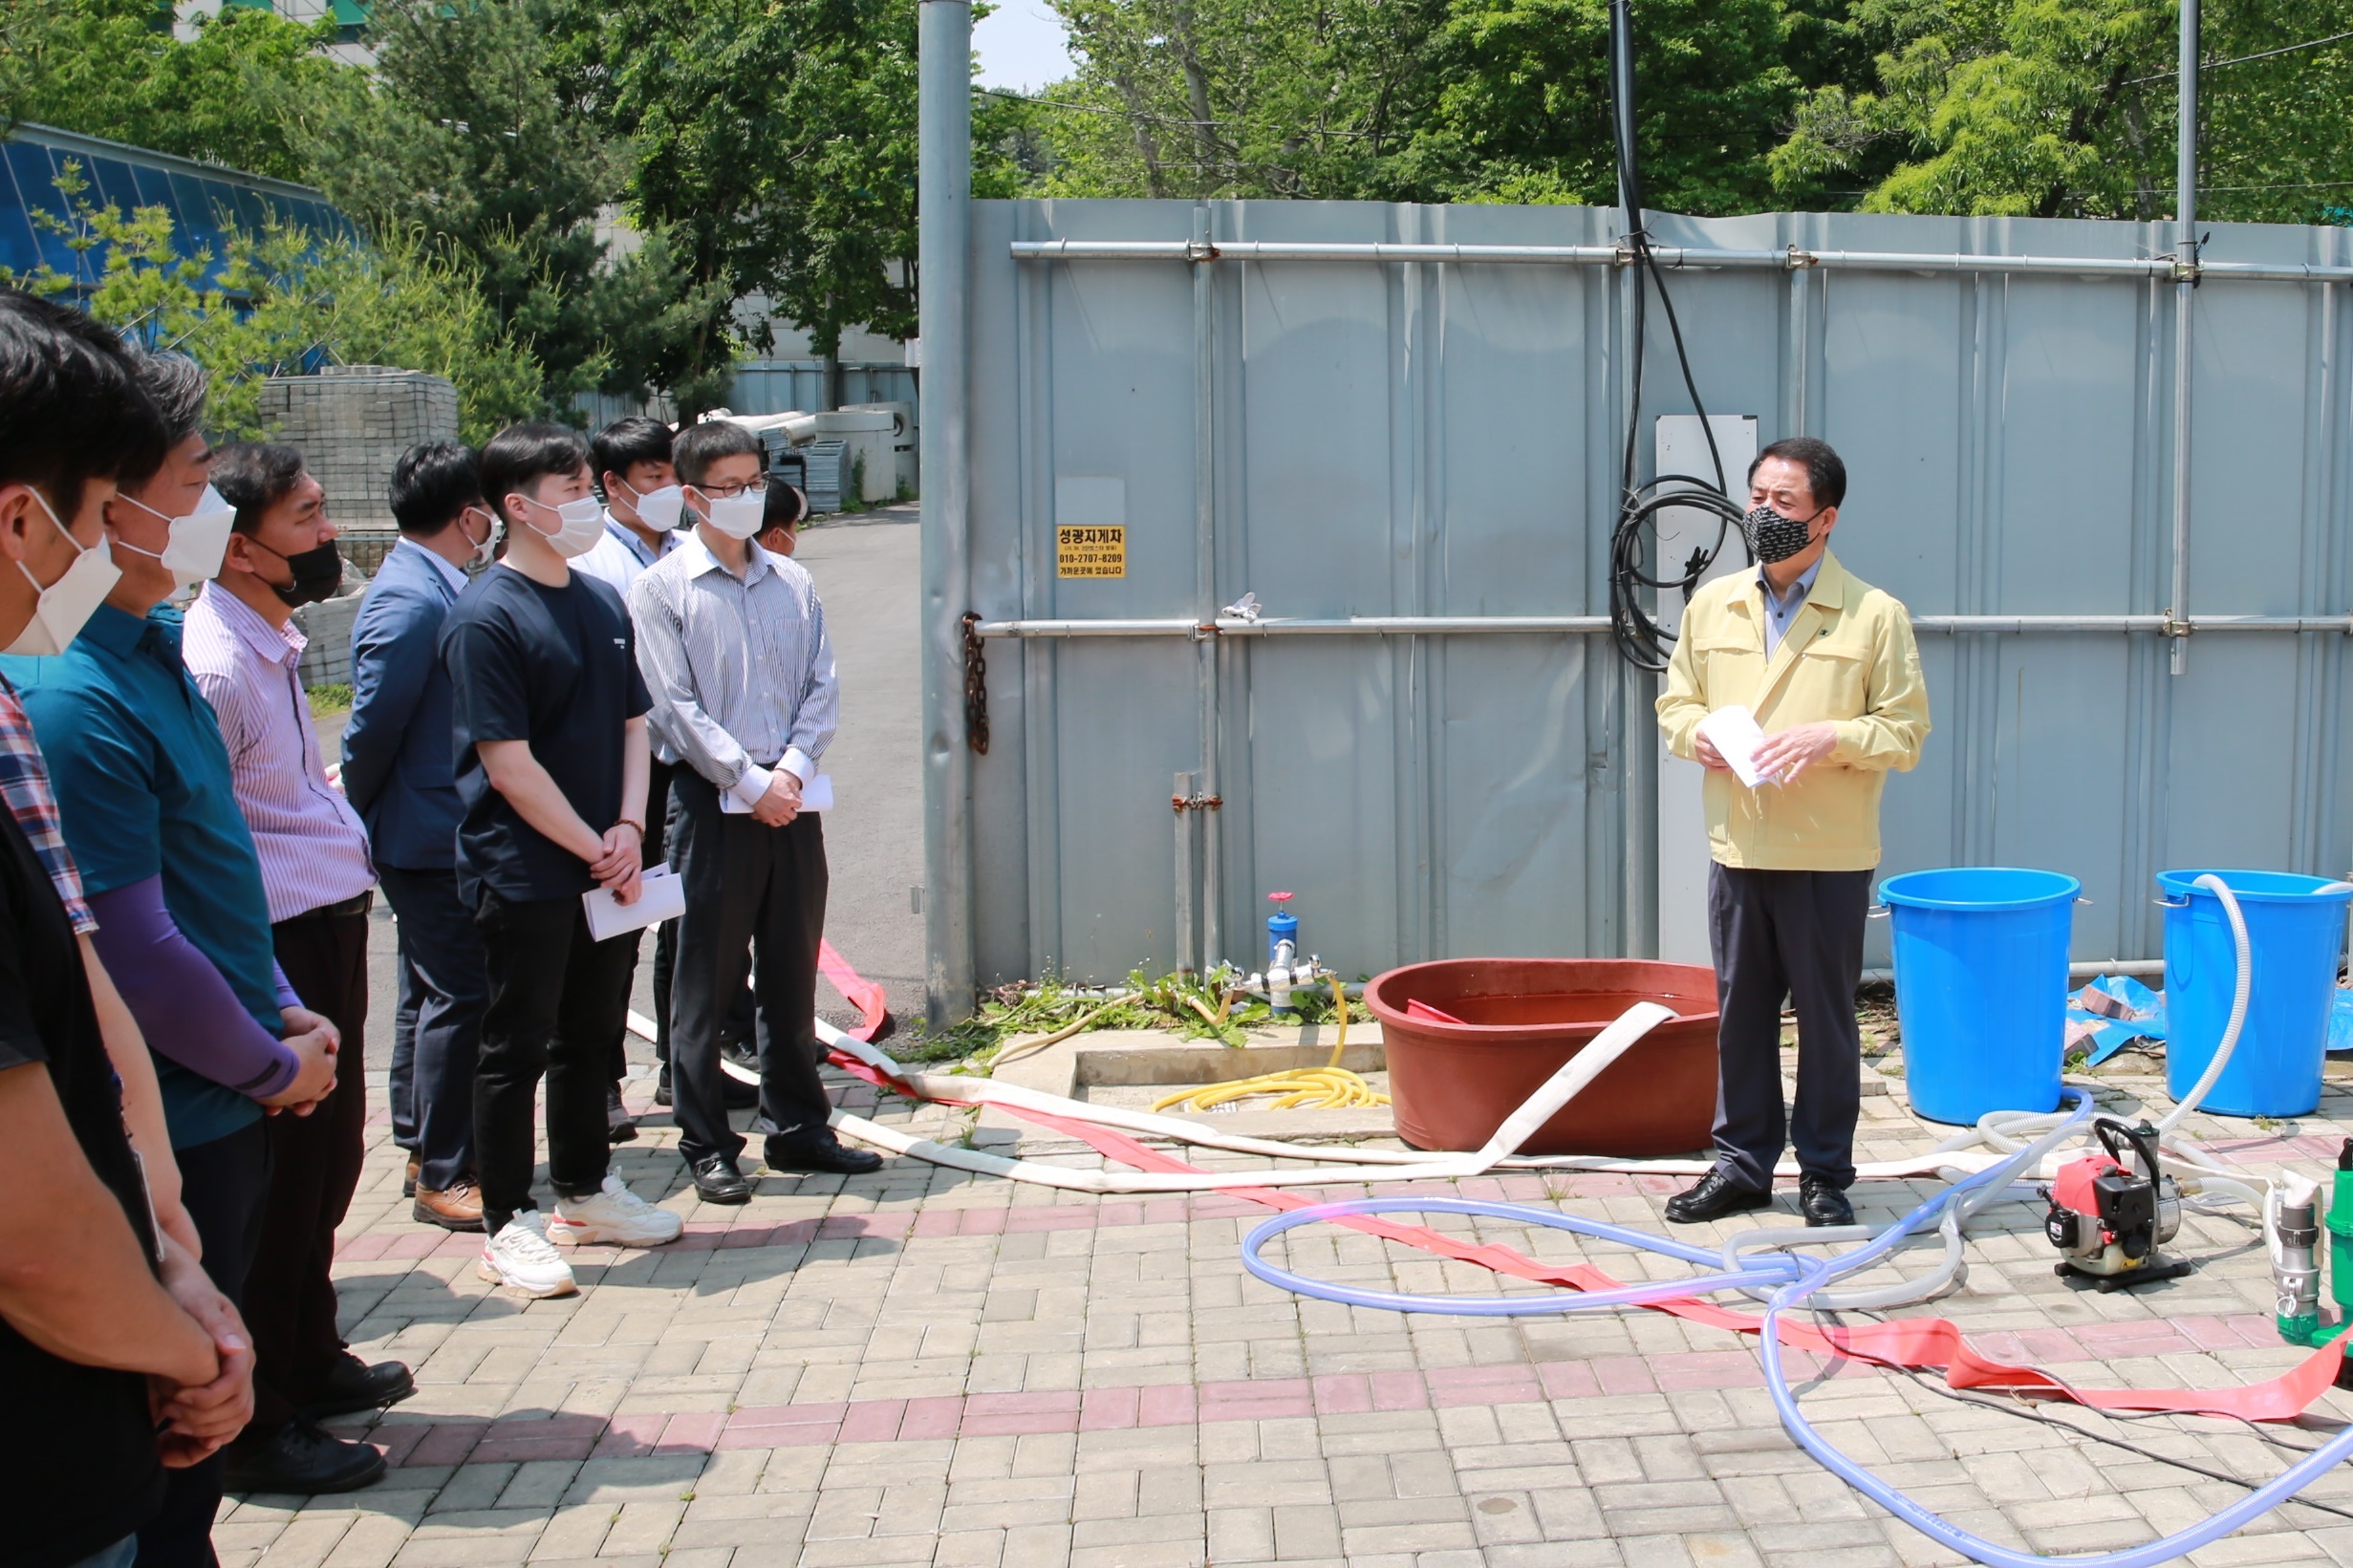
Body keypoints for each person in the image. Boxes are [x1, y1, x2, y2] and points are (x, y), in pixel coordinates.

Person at [9, 344, 373, 1518]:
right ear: (81, 512)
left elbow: (219, 877)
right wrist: (266, 1061)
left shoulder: (151, 650)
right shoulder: (67, 694)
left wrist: (278, 1012)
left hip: (218, 1095)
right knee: (168, 1468)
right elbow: (127, 942)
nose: (207, 512)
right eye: (190, 484)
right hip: (182, 1098)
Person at [0, 289, 255, 1568]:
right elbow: (30, 1231)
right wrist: (190, 1348)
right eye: (95, 518)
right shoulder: (67, 693)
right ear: (17, 516)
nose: (90, 555)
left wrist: (166, 1253)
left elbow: (81, 975)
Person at [187, 443, 415, 1490]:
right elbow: (211, 837)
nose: (329, 535)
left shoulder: (267, 640)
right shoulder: (217, 661)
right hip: (274, 942)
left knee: (327, 1166)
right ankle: (262, 1416)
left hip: (323, 922)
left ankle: (310, 1355)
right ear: (240, 548)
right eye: (308, 518)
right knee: (279, 1187)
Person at [1654, 437, 1930, 1230]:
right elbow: (1676, 704)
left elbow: (1905, 732)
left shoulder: (1875, 615)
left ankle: (1824, 1172)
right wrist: (1696, 733)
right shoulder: (1713, 605)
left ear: (1826, 517)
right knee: (1741, 1015)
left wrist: (1831, 739)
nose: (1764, 514)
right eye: (1758, 497)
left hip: (1827, 852)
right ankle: (1742, 1164)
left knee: (1825, 1019)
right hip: (1740, 845)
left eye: (1785, 502)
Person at [443, 421, 683, 1300]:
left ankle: (583, 1188)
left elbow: (632, 722)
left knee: (591, 1033)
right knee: (514, 1042)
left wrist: (628, 827)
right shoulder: (485, 615)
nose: (586, 501)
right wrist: (595, 847)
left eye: (587, 484)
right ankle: (508, 1216)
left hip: (608, 862)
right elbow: (509, 766)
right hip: (528, 868)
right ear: (518, 506)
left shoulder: (596, 600)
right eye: (572, 488)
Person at [631, 419, 880, 1204]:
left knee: (789, 966)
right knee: (705, 978)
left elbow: (822, 685)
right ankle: (707, 1139)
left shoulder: (792, 582)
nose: (746, 497)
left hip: (792, 799)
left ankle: (800, 1124)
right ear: (692, 495)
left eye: (753, 481)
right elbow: (674, 708)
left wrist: (793, 771)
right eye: (729, 486)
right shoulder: (663, 589)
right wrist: (748, 781)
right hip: (712, 805)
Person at [343, 442, 497, 1232]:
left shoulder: (435, 584)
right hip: (424, 831)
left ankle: (418, 1143)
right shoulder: (411, 600)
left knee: (427, 993)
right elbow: (370, 731)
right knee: (460, 993)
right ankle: (444, 1169)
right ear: (467, 514)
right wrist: (364, 813)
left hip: (436, 825)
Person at [574, 416, 699, 1138]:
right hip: (623, 775)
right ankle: (601, 1081)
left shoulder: (685, 550)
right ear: (614, 485)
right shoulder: (594, 561)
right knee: (614, 931)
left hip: (683, 768)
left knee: (681, 920)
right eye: (652, 477)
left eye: (670, 474)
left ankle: (683, 1065)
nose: (667, 489)